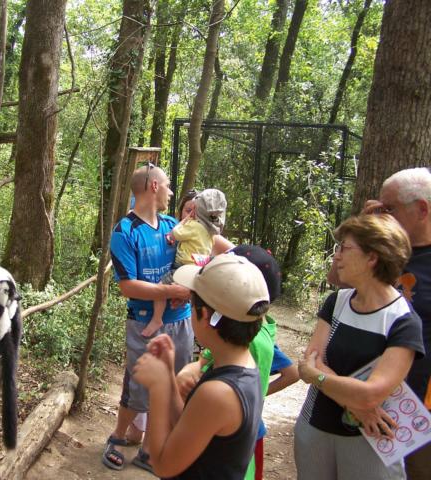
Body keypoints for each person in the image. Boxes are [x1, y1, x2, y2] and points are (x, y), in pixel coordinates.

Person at [294, 214, 425, 480]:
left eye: (344, 248)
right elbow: (313, 358)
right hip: (315, 429)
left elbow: (371, 394)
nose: (337, 257)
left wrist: (317, 376)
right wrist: (354, 403)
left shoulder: (403, 321)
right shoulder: (337, 301)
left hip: (373, 441)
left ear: (372, 257)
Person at [327, 167, 431, 479]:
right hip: (353, 394)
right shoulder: (377, 247)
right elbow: (337, 281)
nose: (381, 213)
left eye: (389, 208)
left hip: (414, 406)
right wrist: (361, 231)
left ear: (422, 209)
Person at [133, 254, 270, 479]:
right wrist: (168, 375)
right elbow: (187, 425)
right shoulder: (239, 366)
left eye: (191, 302)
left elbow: (163, 465)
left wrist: (157, 388)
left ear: (204, 315)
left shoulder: (219, 393)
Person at [176, 245, 299, 480]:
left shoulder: (250, 345)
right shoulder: (249, 335)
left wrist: (161, 388)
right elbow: (206, 359)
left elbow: (166, 464)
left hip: (232, 437)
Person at [103, 164, 194, 473]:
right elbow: (127, 285)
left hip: (181, 320)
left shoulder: (172, 225)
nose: (171, 192)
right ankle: (118, 437)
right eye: (167, 185)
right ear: (153, 186)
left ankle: (148, 449)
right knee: (138, 383)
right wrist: (170, 289)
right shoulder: (124, 232)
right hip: (143, 322)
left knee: (173, 385)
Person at [143, 188, 227, 337]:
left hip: (184, 267)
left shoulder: (192, 226)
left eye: (194, 210)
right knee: (177, 292)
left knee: (161, 287)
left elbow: (176, 233)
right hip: (198, 269)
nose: (191, 214)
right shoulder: (212, 230)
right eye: (188, 210)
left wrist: (185, 221)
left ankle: (157, 319)